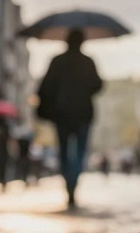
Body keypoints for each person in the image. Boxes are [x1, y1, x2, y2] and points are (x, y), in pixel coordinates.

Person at [36, 29, 102, 208]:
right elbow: (98, 85)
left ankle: (69, 183)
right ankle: (73, 182)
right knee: (80, 152)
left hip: (62, 113)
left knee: (64, 151)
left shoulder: (58, 61)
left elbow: (45, 87)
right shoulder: (87, 62)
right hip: (83, 113)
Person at [0, 117, 12, 189]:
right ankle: (1, 180)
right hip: (2, 151)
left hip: (1, 151)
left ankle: (1, 180)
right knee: (2, 167)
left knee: (1, 167)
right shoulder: (0, 129)